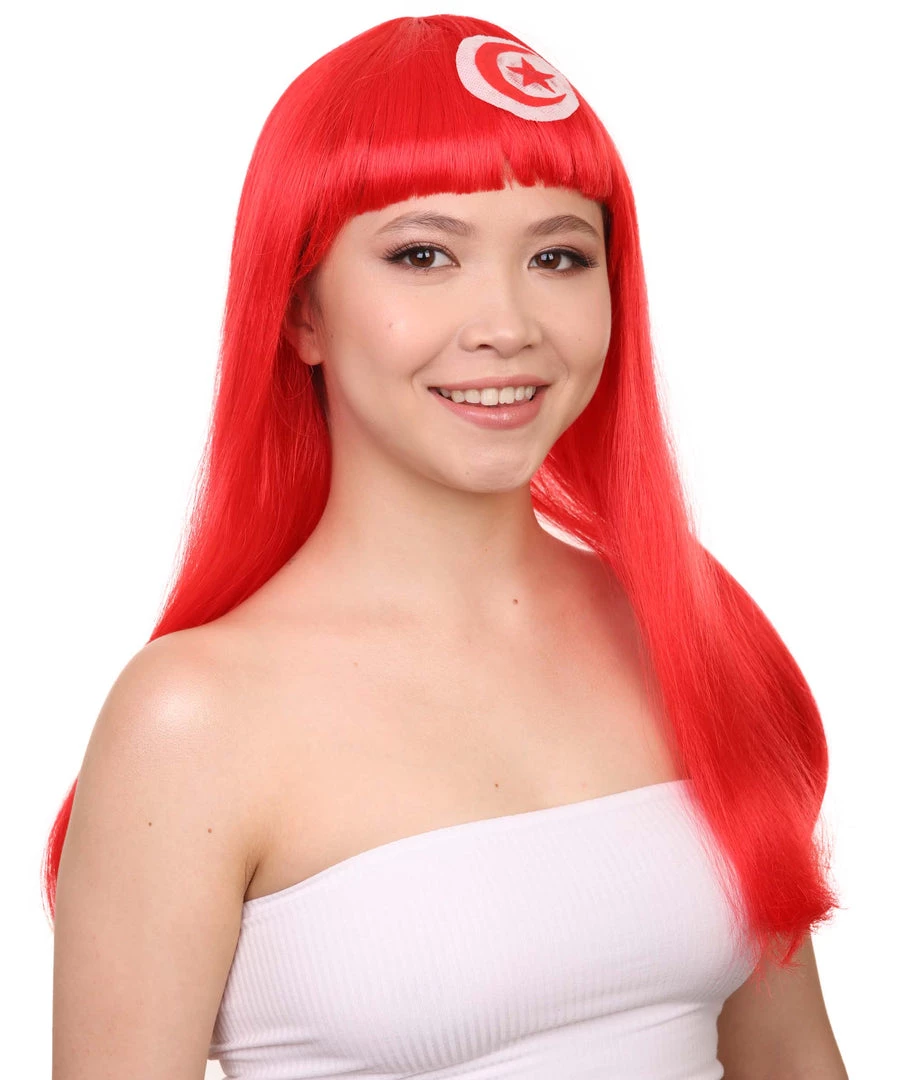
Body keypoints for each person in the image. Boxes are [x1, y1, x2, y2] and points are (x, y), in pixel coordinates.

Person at [45, 13, 848, 1079]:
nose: (506, 323)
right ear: (300, 312)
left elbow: (792, 1059)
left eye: (557, 255)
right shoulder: (189, 720)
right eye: (422, 254)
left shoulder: (681, 630)